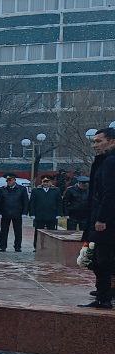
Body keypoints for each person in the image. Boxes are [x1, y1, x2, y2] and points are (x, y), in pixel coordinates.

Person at [81, 125, 115, 309]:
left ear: (112, 141)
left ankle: (105, 298)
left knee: (102, 260)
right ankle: (103, 295)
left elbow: (110, 193)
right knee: (99, 259)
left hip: (107, 221)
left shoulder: (110, 162)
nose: (94, 145)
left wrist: (102, 218)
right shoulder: (104, 160)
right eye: (93, 141)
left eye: (98, 141)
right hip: (102, 217)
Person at [0, 173, 28, 252]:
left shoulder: (22, 189)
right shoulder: (2, 189)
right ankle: (3, 246)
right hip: (5, 213)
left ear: (14, 180)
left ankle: (17, 246)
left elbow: (25, 202)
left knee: (18, 231)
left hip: (17, 213)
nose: (8, 182)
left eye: (10, 180)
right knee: (4, 231)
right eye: (7, 181)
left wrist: (24, 212)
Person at [29, 175, 62, 248]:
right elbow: (32, 203)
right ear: (41, 182)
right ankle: (37, 247)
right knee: (38, 232)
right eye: (44, 181)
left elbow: (59, 203)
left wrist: (59, 213)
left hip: (51, 215)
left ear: (50, 182)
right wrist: (32, 214)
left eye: (47, 182)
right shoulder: (36, 190)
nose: (46, 183)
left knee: (51, 232)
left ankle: (51, 247)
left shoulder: (56, 190)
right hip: (39, 215)